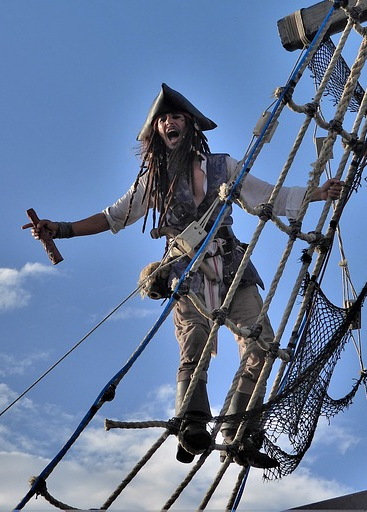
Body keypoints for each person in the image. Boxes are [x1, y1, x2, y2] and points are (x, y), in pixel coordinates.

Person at [25, 83, 343, 468]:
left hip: (232, 269)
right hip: (187, 273)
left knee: (262, 345)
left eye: (175, 117)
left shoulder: (222, 167)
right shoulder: (153, 180)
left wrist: (317, 194)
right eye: (162, 120)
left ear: (190, 126)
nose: (168, 123)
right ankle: (192, 426)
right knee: (194, 347)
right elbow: (113, 217)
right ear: (157, 133)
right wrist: (60, 229)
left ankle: (240, 430)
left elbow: (266, 196)